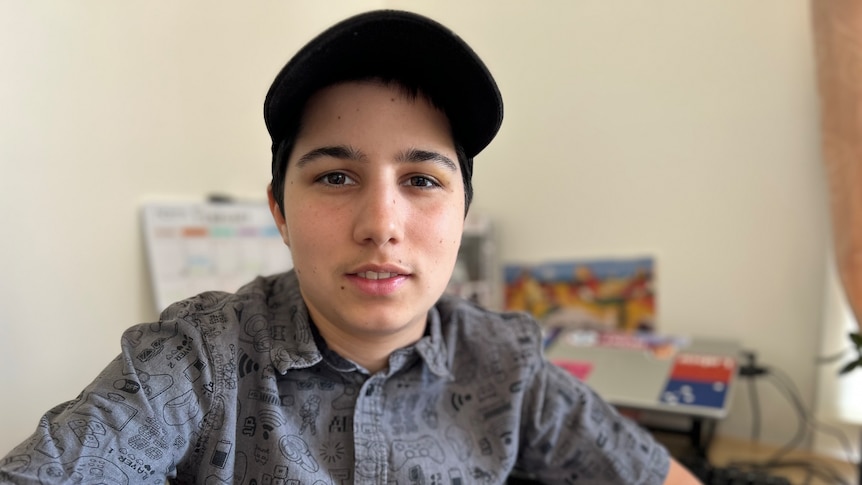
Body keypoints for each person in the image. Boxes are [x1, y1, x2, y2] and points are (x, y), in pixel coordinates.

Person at [0, 10, 701, 485]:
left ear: (464, 214)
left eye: (422, 179)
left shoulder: (508, 365)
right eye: (336, 176)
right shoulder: (199, 357)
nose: (381, 223)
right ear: (279, 208)